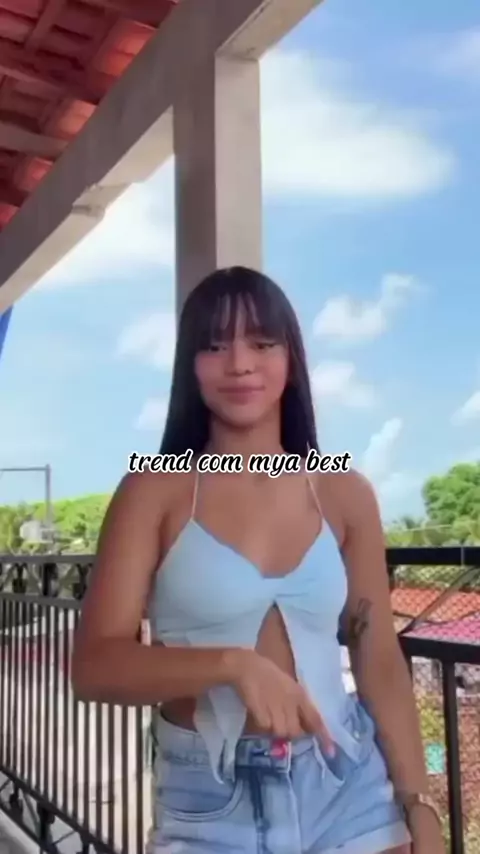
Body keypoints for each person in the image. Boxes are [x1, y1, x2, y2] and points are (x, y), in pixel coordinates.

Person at [72, 267, 443, 854]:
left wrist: (418, 802)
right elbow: (95, 668)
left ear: (290, 358)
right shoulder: (152, 489)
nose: (240, 363)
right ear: (190, 366)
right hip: (211, 798)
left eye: (263, 343)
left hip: (348, 784)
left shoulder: (343, 490)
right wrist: (233, 665)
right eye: (215, 346)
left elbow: (378, 661)